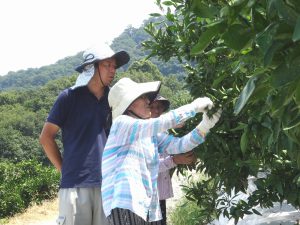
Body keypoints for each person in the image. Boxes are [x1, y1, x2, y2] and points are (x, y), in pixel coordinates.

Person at [101, 77, 221, 225]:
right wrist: (194, 106)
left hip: (147, 207)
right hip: (125, 203)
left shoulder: (150, 134)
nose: (148, 102)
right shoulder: (122, 124)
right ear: (129, 105)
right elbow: (163, 122)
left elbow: (180, 145)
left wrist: (205, 126)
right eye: (143, 97)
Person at [39, 44, 130, 225]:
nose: (113, 70)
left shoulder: (115, 100)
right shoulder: (68, 97)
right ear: (92, 67)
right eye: (107, 65)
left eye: (114, 66)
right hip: (75, 185)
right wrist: (64, 170)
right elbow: (46, 137)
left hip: (108, 184)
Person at [150, 95, 197, 225]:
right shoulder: (144, 134)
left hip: (158, 194)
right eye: (152, 107)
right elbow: (149, 166)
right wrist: (175, 160)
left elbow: (175, 145)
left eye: (159, 107)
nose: (156, 110)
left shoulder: (161, 131)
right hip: (148, 195)